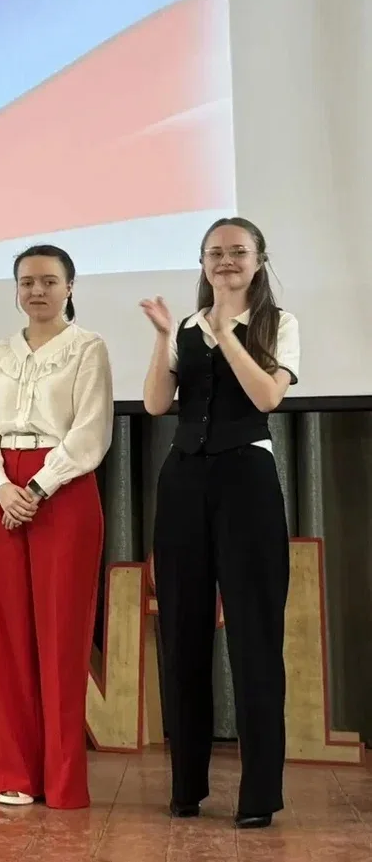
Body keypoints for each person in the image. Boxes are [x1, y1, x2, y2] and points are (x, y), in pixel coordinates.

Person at [141, 217, 298, 830]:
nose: (226, 261)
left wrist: (226, 334)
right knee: (181, 630)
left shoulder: (277, 323)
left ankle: (258, 796)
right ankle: (186, 787)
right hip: (184, 479)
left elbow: (267, 398)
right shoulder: (185, 326)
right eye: (215, 253)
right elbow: (157, 403)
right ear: (202, 261)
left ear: (258, 260)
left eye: (238, 252)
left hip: (246, 480)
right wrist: (165, 338)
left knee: (254, 635)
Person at [0, 245, 114, 810]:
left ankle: (62, 779)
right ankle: (14, 772)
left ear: (69, 287)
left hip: (62, 490)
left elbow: (91, 430)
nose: (37, 291)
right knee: (5, 636)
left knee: (60, 635)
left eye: (49, 281)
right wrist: (0, 486)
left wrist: (37, 487)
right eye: (27, 281)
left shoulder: (87, 347)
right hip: (2, 491)